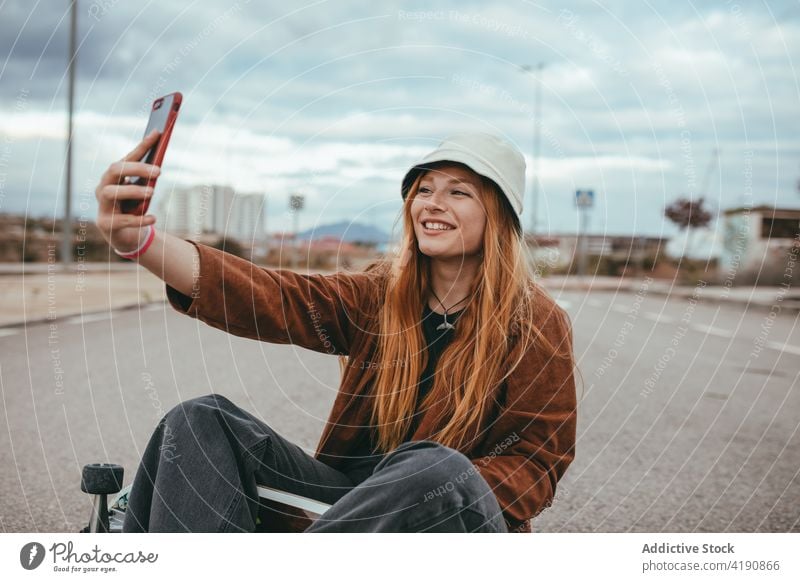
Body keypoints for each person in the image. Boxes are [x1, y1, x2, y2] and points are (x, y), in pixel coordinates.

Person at [93, 131, 578, 533]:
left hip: (444, 523)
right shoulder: (379, 295)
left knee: (437, 467)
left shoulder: (535, 322)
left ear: (498, 213)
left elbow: (538, 462)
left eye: (458, 191)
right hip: (342, 510)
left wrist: (439, 492)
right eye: (424, 189)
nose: (432, 203)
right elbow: (274, 296)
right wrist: (141, 242)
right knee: (202, 420)